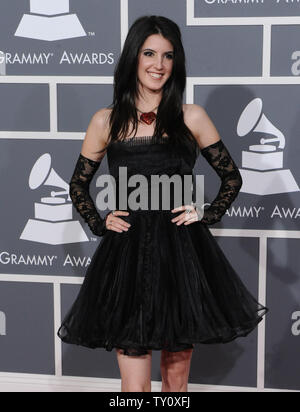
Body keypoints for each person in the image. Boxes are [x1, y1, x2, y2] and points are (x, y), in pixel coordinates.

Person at [57, 15, 268, 392]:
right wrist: (100, 221)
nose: (158, 64)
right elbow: (78, 185)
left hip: (181, 256)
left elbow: (232, 178)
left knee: (176, 386)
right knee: (134, 390)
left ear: (177, 62)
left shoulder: (192, 117)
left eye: (168, 56)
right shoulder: (106, 121)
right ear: (133, 58)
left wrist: (205, 212)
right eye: (149, 53)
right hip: (127, 258)